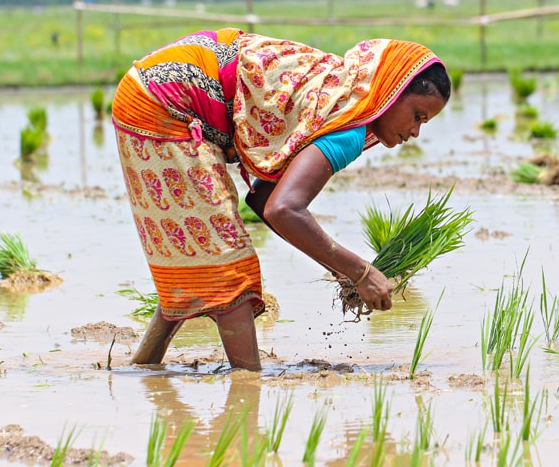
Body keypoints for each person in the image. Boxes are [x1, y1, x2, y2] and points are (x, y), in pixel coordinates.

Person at [111, 29, 451, 371]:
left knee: (198, 258)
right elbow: (284, 209)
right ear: (391, 93)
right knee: (228, 266)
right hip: (168, 102)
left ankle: (144, 368)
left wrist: (341, 272)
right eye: (417, 116)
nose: (415, 132)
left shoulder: (339, 93)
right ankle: (247, 385)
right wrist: (360, 272)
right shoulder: (347, 125)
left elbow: (263, 201)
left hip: (150, 88)